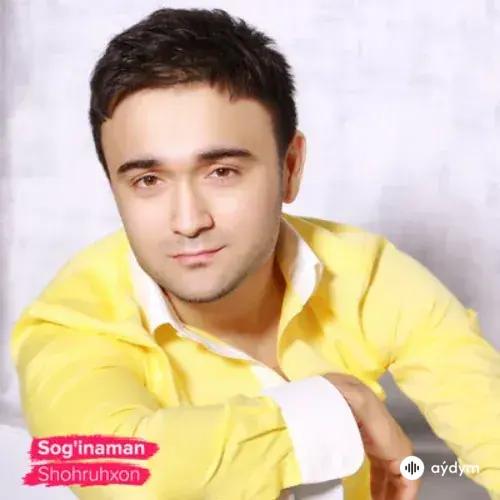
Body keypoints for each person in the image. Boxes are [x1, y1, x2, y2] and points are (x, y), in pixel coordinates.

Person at [10, 7, 500, 500]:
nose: (188, 221)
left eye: (222, 171)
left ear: (290, 167)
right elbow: (106, 468)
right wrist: (330, 410)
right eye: (148, 180)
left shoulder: (367, 276)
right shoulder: (71, 322)